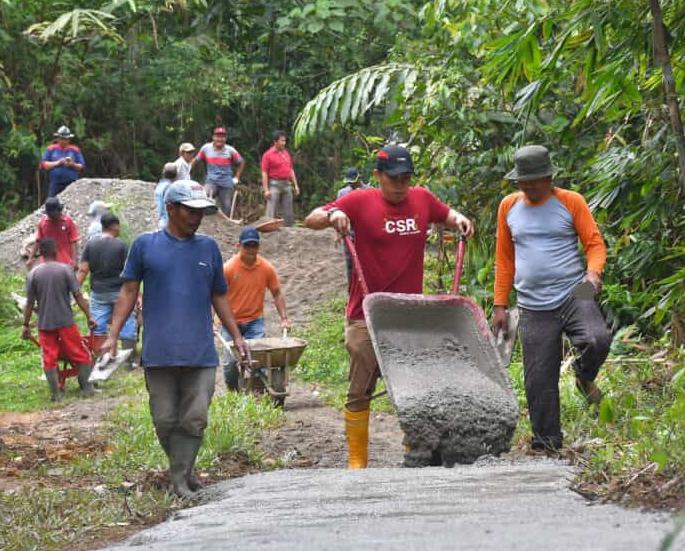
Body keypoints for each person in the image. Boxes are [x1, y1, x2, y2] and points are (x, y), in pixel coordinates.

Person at [304, 145, 473, 468]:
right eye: (394, 179)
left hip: (408, 314)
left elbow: (447, 215)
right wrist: (333, 214)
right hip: (366, 313)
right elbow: (311, 219)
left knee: (415, 386)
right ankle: (357, 461)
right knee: (361, 384)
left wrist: (459, 220)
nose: (400, 185)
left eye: (406, 178)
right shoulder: (359, 201)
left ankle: (417, 452)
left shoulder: (422, 198)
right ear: (377, 177)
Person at [99, 180, 248, 498]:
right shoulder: (144, 246)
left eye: (200, 212)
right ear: (170, 209)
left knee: (194, 418)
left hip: (200, 353)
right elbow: (128, 292)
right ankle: (185, 469)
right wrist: (113, 335)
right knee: (165, 420)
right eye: (190, 211)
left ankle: (179, 480)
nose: (197, 217)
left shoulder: (208, 248)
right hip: (159, 351)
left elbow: (219, 296)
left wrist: (237, 336)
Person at [492, 145, 612, 453]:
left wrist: (593, 273)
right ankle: (546, 445)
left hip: (576, 290)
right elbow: (504, 259)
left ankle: (583, 377)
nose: (528, 186)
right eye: (523, 181)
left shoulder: (571, 201)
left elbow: (595, 244)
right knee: (538, 380)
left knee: (597, 339)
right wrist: (500, 305)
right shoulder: (508, 206)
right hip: (531, 302)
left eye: (534, 180)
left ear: (549, 177)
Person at [22, 238, 97, 401]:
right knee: (80, 352)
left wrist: (25, 325)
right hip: (65, 321)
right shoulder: (65, 270)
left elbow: (29, 303)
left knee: (49, 357)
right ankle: (87, 387)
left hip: (45, 323)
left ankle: (56, 394)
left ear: (41, 253)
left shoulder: (33, 273)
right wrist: (89, 315)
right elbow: (78, 295)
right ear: (55, 251)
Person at [220, 227, 291, 392]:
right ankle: (234, 393)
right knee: (230, 364)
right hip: (231, 323)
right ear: (239, 246)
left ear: (259, 246)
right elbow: (217, 296)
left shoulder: (266, 268)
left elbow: (277, 293)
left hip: (254, 321)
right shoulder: (228, 269)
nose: (251, 250)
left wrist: (284, 318)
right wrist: (211, 319)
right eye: (247, 246)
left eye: (254, 245)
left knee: (260, 360)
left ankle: (265, 388)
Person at [77, 212, 138, 363]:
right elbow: (130, 271)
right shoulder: (121, 245)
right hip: (119, 291)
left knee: (98, 324)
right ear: (115, 227)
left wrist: (74, 289)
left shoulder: (91, 244)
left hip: (98, 292)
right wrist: (136, 293)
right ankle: (128, 360)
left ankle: (101, 359)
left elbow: (83, 269)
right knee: (127, 320)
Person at [190, 127, 242, 216]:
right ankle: (204, 221)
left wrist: (237, 177)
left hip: (226, 182)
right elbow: (195, 160)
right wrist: (187, 171)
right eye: (218, 136)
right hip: (211, 181)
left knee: (227, 207)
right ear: (213, 137)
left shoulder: (230, 150)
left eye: (222, 137)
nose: (220, 139)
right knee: (203, 197)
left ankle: (226, 226)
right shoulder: (206, 148)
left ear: (225, 139)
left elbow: (241, 162)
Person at [335, 167, 369, 284]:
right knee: (350, 264)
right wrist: (338, 232)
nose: (351, 184)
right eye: (349, 182)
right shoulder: (342, 193)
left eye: (353, 181)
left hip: (367, 235)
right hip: (349, 234)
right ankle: (352, 291)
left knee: (367, 264)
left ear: (359, 178)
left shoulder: (370, 191)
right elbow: (338, 213)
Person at [260, 130, 300, 227]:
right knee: (271, 208)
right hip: (275, 184)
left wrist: (296, 185)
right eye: (282, 141)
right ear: (275, 142)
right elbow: (264, 172)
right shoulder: (267, 155)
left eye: (284, 141)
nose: (284, 143)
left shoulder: (286, 153)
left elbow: (291, 169)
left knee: (288, 209)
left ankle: (288, 229)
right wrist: (266, 190)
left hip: (287, 184)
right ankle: (268, 227)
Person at [40, 125, 85, 198]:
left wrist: (72, 164)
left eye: (65, 139)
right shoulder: (51, 149)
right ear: (58, 138)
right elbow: (44, 164)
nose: (63, 141)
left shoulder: (75, 150)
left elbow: (82, 166)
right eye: (61, 138)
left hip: (71, 183)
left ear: (69, 139)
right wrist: (58, 163)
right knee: (51, 203)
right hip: (55, 183)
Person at [35, 196, 80, 267]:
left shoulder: (68, 221)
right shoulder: (43, 222)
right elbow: (38, 240)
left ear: (59, 211)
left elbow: (73, 241)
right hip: (46, 263)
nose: (52, 217)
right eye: (50, 215)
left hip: (66, 263)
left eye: (53, 215)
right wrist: (31, 258)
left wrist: (74, 260)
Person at [154, 163, 178, 229]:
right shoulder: (171, 187)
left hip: (160, 222)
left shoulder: (159, 186)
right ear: (176, 175)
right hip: (168, 224)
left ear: (163, 173)